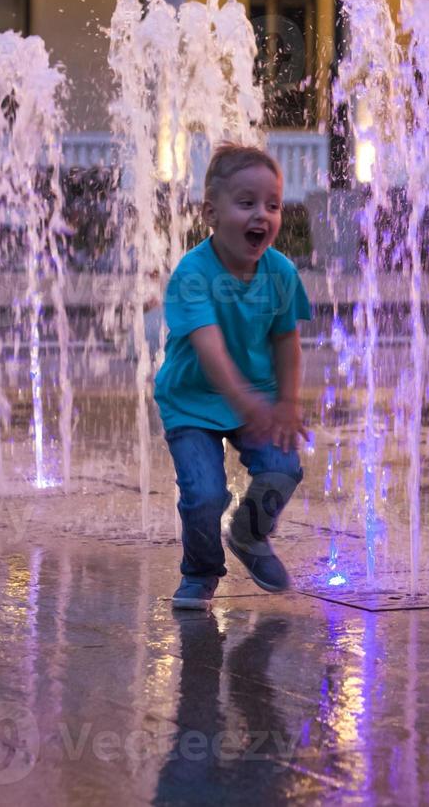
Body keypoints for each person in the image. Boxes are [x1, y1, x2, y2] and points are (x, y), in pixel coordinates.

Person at [154, 142, 312, 610]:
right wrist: (247, 404)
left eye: (273, 205)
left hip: (258, 399)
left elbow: (286, 341)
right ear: (211, 213)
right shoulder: (193, 273)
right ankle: (201, 571)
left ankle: (249, 534)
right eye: (246, 203)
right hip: (193, 401)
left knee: (282, 468)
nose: (261, 215)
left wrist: (286, 403)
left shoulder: (281, 273)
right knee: (204, 494)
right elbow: (209, 348)